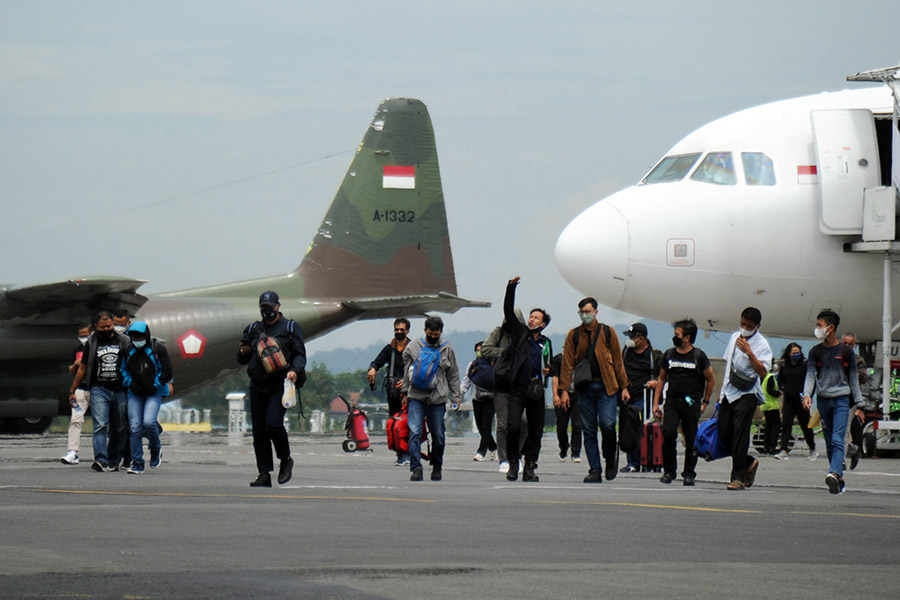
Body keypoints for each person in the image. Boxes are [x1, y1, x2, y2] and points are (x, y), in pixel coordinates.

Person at [238, 291, 307, 488]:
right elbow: (242, 359)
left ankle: (285, 459)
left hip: (280, 384)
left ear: (278, 306)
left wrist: (294, 371)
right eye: (263, 308)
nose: (267, 311)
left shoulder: (291, 328)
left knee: (274, 424)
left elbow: (300, 355)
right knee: (259, 431)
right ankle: (264, 473)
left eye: (270, 307)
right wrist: (243, 352)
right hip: (257, 385)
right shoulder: (252, 329)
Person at [559, 297, 630, 484]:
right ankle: (595, 469)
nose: (584, 315)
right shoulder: (573, 335)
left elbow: (618, 361)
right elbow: (566, 364)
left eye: (588, 312)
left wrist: (624, 386)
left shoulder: (608, 332)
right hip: (584, 388)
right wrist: (564, 390)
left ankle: (609, 457)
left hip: (607, 386)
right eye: (581, 312)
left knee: (607, 425)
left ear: (596, 312)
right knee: (589, 430)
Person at [803, 311, 863, 494]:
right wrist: (807, 395)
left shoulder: (845, 352)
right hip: (823, 401)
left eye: (820, 325)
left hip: (842, 401)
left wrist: (860, 404)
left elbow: (853, 379)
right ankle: (838, 479)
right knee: (829, 442)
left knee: (838, 439)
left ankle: (834, 471)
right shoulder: (816, 352)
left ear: (830, 328)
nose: (817, 328)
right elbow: (811, 375)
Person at [498, 277, 551, 482]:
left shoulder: (546, 344)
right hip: (518, 390)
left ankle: (530, 466)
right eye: (531, 316)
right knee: (513, 426)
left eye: (536, 318)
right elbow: (508, 312)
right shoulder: (521, 334)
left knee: (536, 431)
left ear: (543, 323)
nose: (531, 319)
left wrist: (550, 370)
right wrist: (510, 288)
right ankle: (513, 462)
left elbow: (549, 366)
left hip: (536, 391)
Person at [652, 319, 715, 486]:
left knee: (691, 438)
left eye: (677, 335)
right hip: (672, 401)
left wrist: (705, 402)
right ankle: (669, 471)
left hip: (691, 402)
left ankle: (689, 473)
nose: (675, 338)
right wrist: (655, 403)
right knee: (669, 433)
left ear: (687, 338)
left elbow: (711, 380)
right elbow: (661, 379)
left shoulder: (698, 356)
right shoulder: (669, 354)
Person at [68, 311, 131, 472]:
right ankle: (101, 460)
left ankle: (114, 459)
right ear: (96, 327)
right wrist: (73, 389)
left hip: (119, 389)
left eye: (109, 326)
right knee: (100, 425)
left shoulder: (124, 341)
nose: (107, 329)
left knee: (119, 427)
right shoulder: (91, 342)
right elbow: (83, 367)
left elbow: (131, 364)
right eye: (102, 327)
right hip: (99, 389)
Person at [401, 315, 462, 482]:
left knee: (439, 436)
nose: (433, 337)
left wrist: (456, 396)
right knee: (414, 432)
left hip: (438, 399)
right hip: (416, 397)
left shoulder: (447, 348)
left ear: (441, 332)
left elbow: (453, 374)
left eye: (436, 334)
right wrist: (405, 393)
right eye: (430, 333)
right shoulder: (413, 347)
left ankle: (437, 465)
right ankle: (416, 468)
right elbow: (407, 372)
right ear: (424, 330)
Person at [718, 307, 772, 491]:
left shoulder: (762, 344)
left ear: (757, 326)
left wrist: (750, 352)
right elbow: (728, 365)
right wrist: (721, 394)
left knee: (740, 434)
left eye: (749, 326)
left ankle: (738, 477)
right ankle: (748, 462)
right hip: (729, 390)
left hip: (747, 393)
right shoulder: (734, 337)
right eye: (742, 324)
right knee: (724, 433)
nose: (744, 328)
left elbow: (763, 371)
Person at [120, 321, 172, 474]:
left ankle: (155, 448)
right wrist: (130, 383)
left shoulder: (158, 349)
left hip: (154, 392)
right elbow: (122, 370)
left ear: (146, 335)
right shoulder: (127, 349)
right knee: (135, 427)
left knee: (149, 422)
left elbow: (167, 371)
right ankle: (137, 463)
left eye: (139, 336)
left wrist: (155, 384)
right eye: (133, 337)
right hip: (134, 393)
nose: (137, 340)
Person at [481, 309, 527, 475]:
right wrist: (506, 354)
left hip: (519, 383)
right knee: (502, 423)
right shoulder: (498, 333)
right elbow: (485, 349)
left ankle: (516, 454)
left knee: (523, 422)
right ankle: (503, 458)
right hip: (501, 383)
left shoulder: (524, 335)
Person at [367, 318, 411, 466]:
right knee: (395, 423)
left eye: (402, 330)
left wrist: (406, 381)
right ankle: (400, 453)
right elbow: (377, 362)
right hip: (393, 392)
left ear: (407, 331)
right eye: (397, 330)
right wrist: (372, 369)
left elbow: (419, 367)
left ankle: (409, 453)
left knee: (409, 424)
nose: (399, 332)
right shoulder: (389, 349)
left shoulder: (413, 348)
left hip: (409, 392)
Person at [620, 322, 661, 472]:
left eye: (633, 337)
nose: (630, 339)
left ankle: (645, 459)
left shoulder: (653, 355)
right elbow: (620, 371)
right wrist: (623, 388)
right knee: (627, 429)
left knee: (641, 429)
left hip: (644, 397)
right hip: (626, 397)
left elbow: (664, 375)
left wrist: (655, 382)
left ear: (641, 338)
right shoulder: (626, 352)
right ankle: (632, 462)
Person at [774, 343, 818, 460]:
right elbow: (780, 379)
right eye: (794, 353)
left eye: (798, 352)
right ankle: (783, 449)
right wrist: (783, 388)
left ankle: (812, 448)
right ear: (789, 353)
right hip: (788, 399)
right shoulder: (785, 365)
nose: (796, 355)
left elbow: (811, 380)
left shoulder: (805, 364)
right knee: (786, 424)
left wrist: (808, 396)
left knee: (805, 425)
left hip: (801, 399)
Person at [60, 325, 91, 465]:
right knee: (75, 420)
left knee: (102, 422)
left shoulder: (96, 347)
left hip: (96, 389)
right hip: (80, 388)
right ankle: (72, 452)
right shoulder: (77, 349)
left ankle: (104, 453)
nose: (83, 338)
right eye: (81, 335)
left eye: (86, 335)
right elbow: (73, 371)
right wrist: (75, 365)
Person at [461, 341, 497, 461]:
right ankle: (493, 447)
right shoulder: (472, 365)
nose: (480, 352)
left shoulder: (494, 364)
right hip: (476, 398)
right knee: (481, 427)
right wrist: (460, 393)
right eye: (478, 350)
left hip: (490, 398)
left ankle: (481, 452)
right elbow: (467, 379)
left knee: (486, 426)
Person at [842, 332, 867, 470]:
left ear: (854, 346)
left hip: (849, 399)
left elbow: (864, 377)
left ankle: (841, 462)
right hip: (832, 397)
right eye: (844, 343)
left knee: (844, 430)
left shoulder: (857, 360)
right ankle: (852, 449)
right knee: (830, 429)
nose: (847, 346)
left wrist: (854, 373)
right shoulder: (834, 357)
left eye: (850, 344)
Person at [550, 352, 581, 463]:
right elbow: (555, 377)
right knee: (561, 426)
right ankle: (564, 447)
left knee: (577, 424)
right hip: (561, 395)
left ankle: (576, 452)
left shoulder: (582, 359)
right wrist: (555, 395)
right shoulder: (559, 359)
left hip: (578, 395)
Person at [760, 367, 782, 455]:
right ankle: (772, 447)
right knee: (775, 427)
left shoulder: (764, 377)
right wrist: (779, 393)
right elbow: (770, 391)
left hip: (765, 405)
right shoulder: (770, 377)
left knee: (768, 427)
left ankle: (766, 447)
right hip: (771, 405)